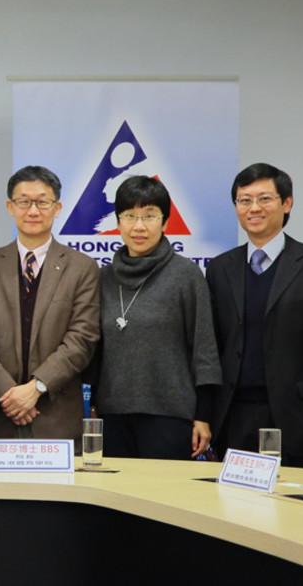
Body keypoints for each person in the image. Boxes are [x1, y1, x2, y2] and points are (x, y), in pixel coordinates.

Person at [206, 163, 303, 468]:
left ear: (287, 203)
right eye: (244, 200)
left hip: (299, 419)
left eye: (264, 199)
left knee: (294, 511)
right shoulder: (220, 268)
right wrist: (204, 416)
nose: (253, 208)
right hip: (234, 416)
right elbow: (211, 348)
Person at [0, 165, 100, 443]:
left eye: (42, 202)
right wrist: (9, 395)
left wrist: (36, 388)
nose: (33, 211)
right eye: (24, 202)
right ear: (10, 207)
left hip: (55, 416)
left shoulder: (82, 268)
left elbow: (82, 338)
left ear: (58, 207)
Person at [90, 176, 221, 460]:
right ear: (118, 221)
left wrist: (203, 416)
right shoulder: (103, 278)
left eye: (149, 216)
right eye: (130, 216)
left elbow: (205, 351)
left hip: (170, 416)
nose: (139, 226)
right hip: (112, 416)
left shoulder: (185, 275)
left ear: (164, 222)